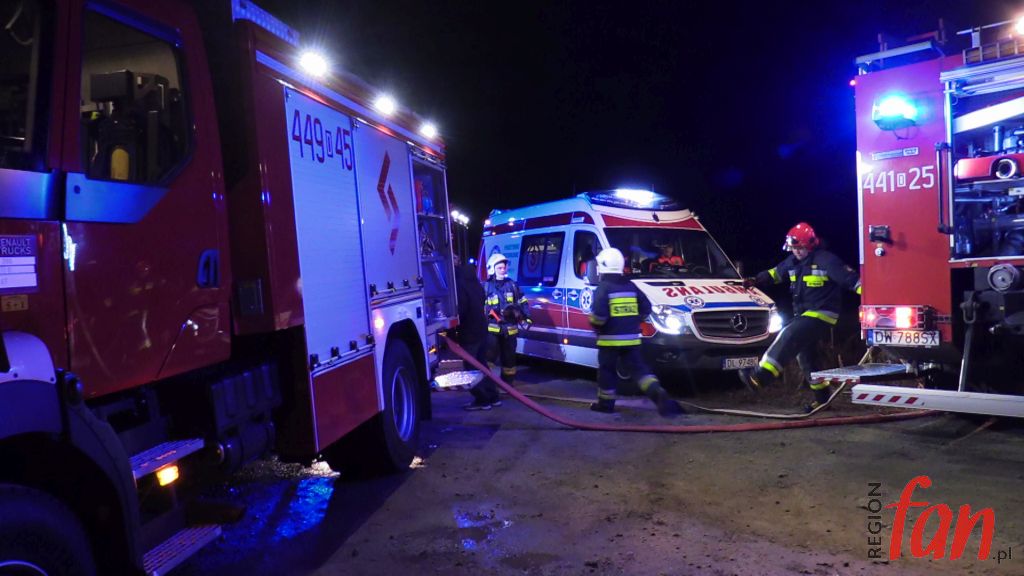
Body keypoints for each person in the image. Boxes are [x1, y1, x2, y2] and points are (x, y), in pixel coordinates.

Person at [740, 222, 862, 411]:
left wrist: (873, 296)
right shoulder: (793, 262)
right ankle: (822, 400)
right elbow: (775, 274)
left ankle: (761, 377)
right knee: (807, 358)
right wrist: (756, 280)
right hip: (804, 315)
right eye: (793, 248)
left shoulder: (826, 260)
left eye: (800, 248)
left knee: (788, 334)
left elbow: (850, 280)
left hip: (822, 314)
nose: (796, 252)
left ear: (811, 245)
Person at [588, 248, 683, 417]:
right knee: (640, 371)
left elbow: (599, 317)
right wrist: (634, 321)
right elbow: (646, 308)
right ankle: (657, 392)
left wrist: (595, 324)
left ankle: (605, 404)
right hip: (632, 339)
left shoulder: (603, 288)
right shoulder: (631, 285)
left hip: (609, 341)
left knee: (607, 372)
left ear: (603, 266)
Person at [456, 258, 501, 411]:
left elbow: (461, 309)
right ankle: (493, 396)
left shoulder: (460, 284)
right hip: (482, 328)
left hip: (469, 331)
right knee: (482, 365)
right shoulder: (475, 282)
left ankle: (482, 399)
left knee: (471, 368)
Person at [483, 253, 531, 389]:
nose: (503, 270)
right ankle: (488, 384)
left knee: (509, 359)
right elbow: (480, 306)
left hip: (510, 330)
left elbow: (523, 301)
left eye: (504, 268)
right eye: (499, 268)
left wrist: (526, 317)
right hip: (492, 330)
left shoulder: (512, 285)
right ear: (492, 269)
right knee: (489, 358)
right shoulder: (486, 287)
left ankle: (508, 384)